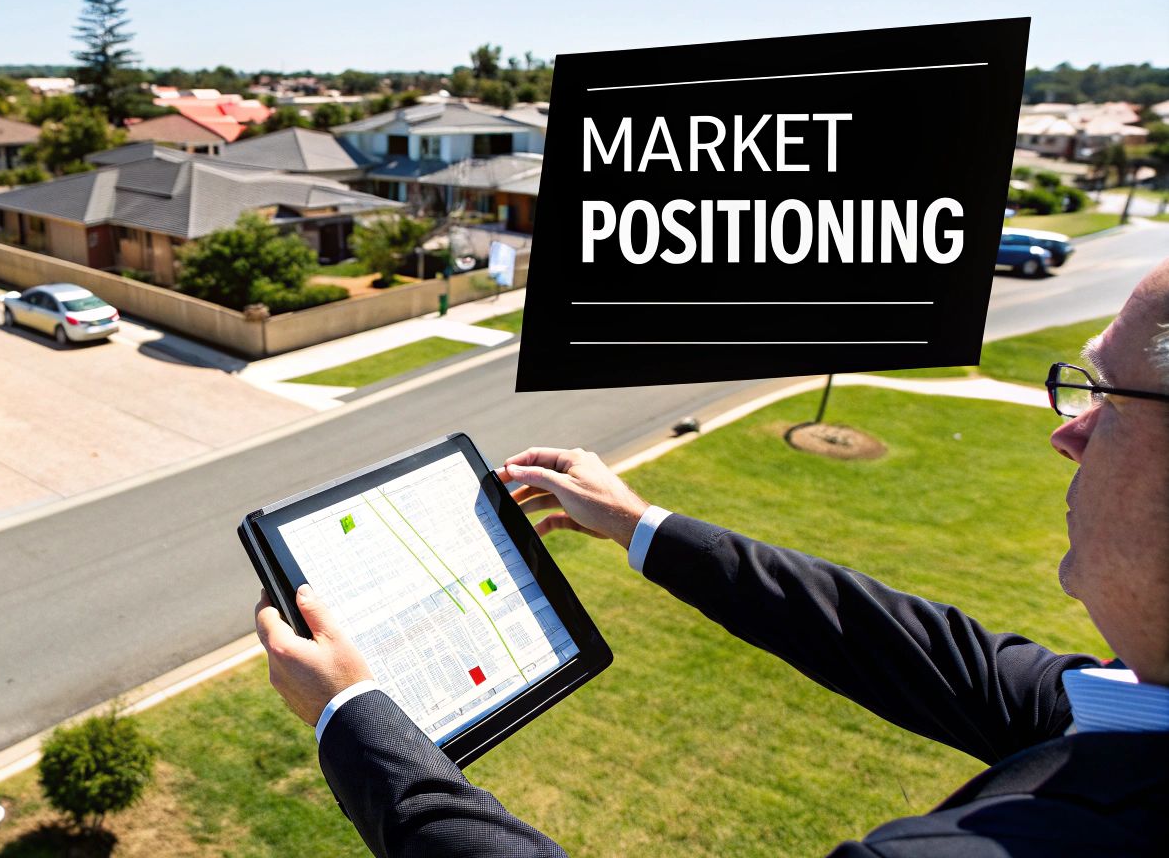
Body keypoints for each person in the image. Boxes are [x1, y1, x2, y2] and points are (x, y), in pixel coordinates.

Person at [255, 259, 1169, 857]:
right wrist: (640, 522)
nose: (1069, 433)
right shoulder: (1139, 700)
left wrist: (353, 717)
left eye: (1107, 398)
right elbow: (923, 651)